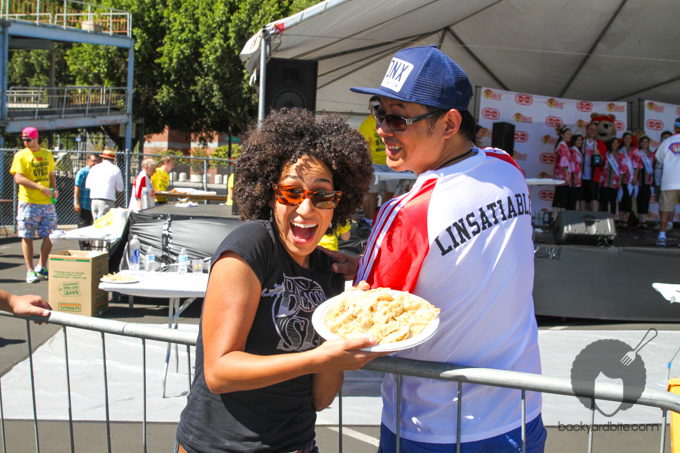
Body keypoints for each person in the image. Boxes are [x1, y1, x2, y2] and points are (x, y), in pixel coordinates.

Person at [346, 45, 546, 451]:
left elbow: (362, 320)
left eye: (399, 117)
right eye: (379, 111)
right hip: (521, 414)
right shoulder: (507, 168)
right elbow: (464, 262)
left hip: (433, 429)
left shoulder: (407, 214)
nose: (383, 128)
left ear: (450, 123)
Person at [175, 108, 385, 453]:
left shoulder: (327, 273)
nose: (305, 209)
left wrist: (346, 330)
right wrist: (320, 358)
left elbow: (321, 398)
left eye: (322, 195)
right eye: (291, 192)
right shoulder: (251, 246)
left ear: (337, 203)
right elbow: (219, 371)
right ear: (269, 193)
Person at [10, 127, 58, 284]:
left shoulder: (47, 154)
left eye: (28, 139)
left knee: (50, 234)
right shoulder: (21, 155)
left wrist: (54, 189)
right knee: (27, 236)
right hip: (28, 202)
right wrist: (40, 187)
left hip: (46, 203)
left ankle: (41, 266)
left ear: (36, 139)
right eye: (23, 139)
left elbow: (51, 174)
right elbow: (19, 178)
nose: (25, 142)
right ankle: (30, 270)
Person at [358, 95, 399, 232]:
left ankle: (383, 220)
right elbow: (364, 147)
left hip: (392, 161)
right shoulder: (366, 124)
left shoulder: (391, 120)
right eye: (374, 109)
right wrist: (368, 166)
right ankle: (369, 221)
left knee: (389, 194)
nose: (375, 112)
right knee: (372, 194)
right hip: (375, 163)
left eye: (378, 109)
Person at [654, 118, 680, 246]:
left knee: (665, 209)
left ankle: (662, 236)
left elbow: (659, 158)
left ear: (675, 128)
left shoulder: (667, 141)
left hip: (669, 180)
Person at [86, 148, 124, 220]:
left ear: (102, 158)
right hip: (107, 200)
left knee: (96, 223)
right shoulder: (115, 169)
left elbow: (88, 185)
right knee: (105, 224)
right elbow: (119, 189)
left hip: (94, 200)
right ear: (113, 160)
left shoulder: (94, 168)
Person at [73, 153, 99, 249]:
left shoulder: (97, 172)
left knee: (90, 226)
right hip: (82, 204)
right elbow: (77, 188)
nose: (95, 163)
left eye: (97, 161)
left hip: (91, 205)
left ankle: (88, 247)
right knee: (83, 227)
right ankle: (84, 248)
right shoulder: (82, 172)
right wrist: (77, 203)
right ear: (88, 161)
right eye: (93, 161)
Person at [580, 122, 606, 211]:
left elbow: (603, 160)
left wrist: (599, 155)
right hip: (580, 175)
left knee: (594, 197)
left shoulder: (600, 143)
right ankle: (581, 216)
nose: (593, 131)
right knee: (582, 197)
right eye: (591, 129)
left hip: (594, 176)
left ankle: (595, 217)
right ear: (586, 130)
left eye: (595, 130)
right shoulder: (580, 141)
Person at [632, 135, 654, 229]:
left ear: (648, 143)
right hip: (638, 181)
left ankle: (644, 220)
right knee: (639, 200)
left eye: (646, 142)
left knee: (645, 201)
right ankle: (639, 219)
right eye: (642, 142)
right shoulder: (637, 153)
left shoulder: (652, 154)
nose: (644, 143)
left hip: (648, 181)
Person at [599, 137, 624, 216]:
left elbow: (623, 169)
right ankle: (604, 218)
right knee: (604, 200)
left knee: (613, 200)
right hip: (605, 181)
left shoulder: (621, 155)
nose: (615, 144)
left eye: (617, 143)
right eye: (613, 142)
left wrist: (620, 180)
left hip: (615, 181)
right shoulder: (606, 154)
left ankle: (612, 218)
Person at [552, 124, 572, 217]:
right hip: (562, 175)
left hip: (558, 174)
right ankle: (560, 217)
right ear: (562, 135)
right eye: (567, 134)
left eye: (570, 134)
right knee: (562, 196)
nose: (569, 136)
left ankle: (555, 216)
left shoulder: (561, 145)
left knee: (558, 195)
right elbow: (564, 162)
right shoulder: (563, 146)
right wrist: (567, 175)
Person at [568, 134, 584, 210]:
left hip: (579, 176)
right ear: (573, 141)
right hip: (575, 176)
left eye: (581, 140)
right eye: (578, 139)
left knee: (575, 196)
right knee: (573, 196)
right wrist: (575, 176)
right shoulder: (573, 150)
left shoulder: (577, 150)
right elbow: (573, 164)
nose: (579, 141)